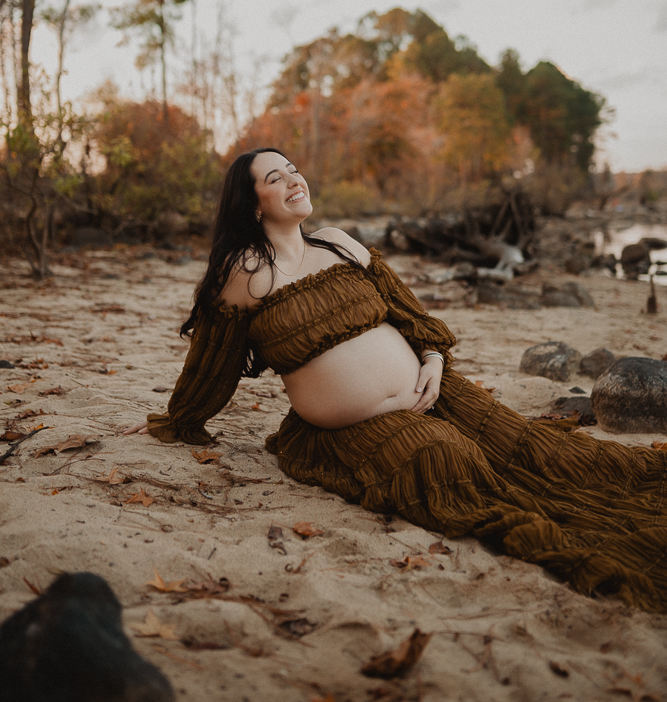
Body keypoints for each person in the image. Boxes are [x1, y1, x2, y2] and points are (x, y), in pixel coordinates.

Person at [124, 148, 667, 612]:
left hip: (435, 391)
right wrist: (179, 419)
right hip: (353, 430)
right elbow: (211, 363)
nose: (294, 180)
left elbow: (411, 318)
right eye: (275, 178)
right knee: (444, 462)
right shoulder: (244, 273)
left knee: (547, 456)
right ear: (253, 203)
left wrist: (432, 360)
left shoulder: (340, 243)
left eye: (294, 170)